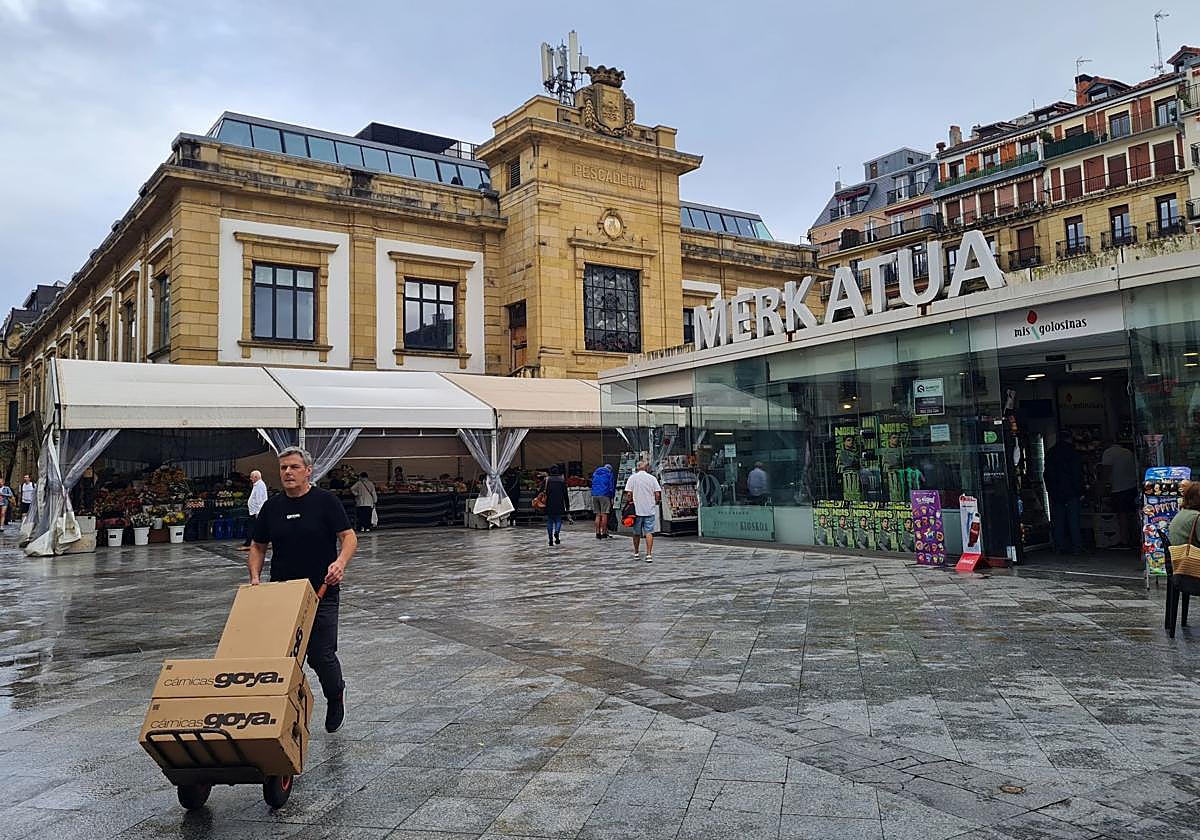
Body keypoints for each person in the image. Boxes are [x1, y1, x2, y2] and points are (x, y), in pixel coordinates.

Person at [248, 447, 357, 734]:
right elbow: (258, 545)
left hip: (322, 590)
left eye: (294, 467)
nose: (287, 472)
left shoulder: (325, 502)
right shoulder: (272, 507)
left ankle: (335, 695)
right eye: (283, 467)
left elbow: (348, 537)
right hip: (283, 593)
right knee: (284, 657)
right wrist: (255, 578)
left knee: (320, 654)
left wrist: (340, 562)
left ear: (308, 470)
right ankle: (284, 713)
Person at [1044, 429, 1084, 554]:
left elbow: (1046, 474)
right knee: (1074, 520)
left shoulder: (1051, 452)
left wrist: (1050, 489)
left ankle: (1059, 546)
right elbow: (1077, 473)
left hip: (1056, 491)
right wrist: (1080, 490)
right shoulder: (1072, 453)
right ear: (1070, 438)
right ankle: (1076, 546)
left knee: (1058, 519)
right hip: (1071, 490)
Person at [1100, 441, 1138, 547]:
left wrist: (1103, 486)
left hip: (1118, 487)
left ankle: (1124, 539)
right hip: (1131, 486)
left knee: (1122, 514)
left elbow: (1106, 471)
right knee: (1131, 514)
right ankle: (1134, 537)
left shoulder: (1108, 453)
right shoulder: (1128, 452)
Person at [623, 461, 662, 562]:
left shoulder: (632, 478)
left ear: (637, 468)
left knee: (636, 533)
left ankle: (636, 552)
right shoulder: (652, 478)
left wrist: (630, 501)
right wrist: (656, 502)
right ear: (646, 468)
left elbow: (628, 494)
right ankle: (649, 554)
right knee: (649, 532)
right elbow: (657, 494)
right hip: (649, 509)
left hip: (636, 510)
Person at [239, 470, 267, 551]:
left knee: (252, 527)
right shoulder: (257, 485)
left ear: (256, 477)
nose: (250, 479)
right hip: (254, 511)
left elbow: (259, 499)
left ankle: (249, 543)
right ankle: (250, 542)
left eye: (251, 477)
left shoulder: (259, 485)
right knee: (253, 527)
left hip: (255, 511)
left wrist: (258, 512)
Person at [543, 465, 569, 546]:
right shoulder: (562, 480)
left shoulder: (547, 480)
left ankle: (550, 538)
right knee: (558, 519)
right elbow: (565, 494)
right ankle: (557, 532)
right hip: (559, 503)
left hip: (549, 503)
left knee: (550, 520)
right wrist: (567, 506)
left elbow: (541, 491)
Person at [590, 463, 615, 539]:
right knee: (604, 514)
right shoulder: (609, 474)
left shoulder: (595, 473)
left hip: (595, 495)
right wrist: (612, 497)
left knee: (597, 514)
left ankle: (597, 533)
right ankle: (604, 532)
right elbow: (611, 487)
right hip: (605, 494)